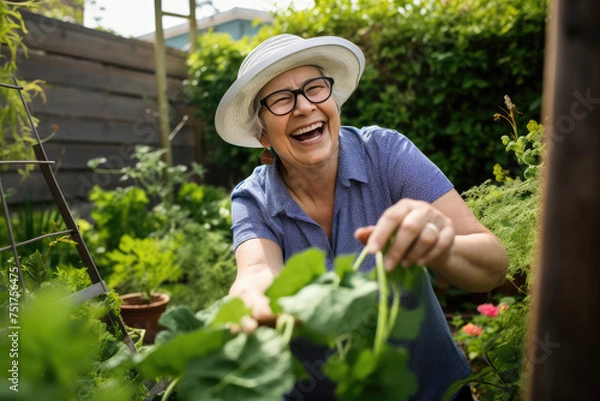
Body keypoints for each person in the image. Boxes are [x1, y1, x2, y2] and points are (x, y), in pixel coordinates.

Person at [215, 34, 508, 401]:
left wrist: (441, 246)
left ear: (332, 100)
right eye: (280, 100)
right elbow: (256, 272)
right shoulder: (253, 198)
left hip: (433, 393)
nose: (304, 107)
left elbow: (494, 265)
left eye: (314, 88)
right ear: (262, 134)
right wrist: (250, 301)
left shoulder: (387, 153)